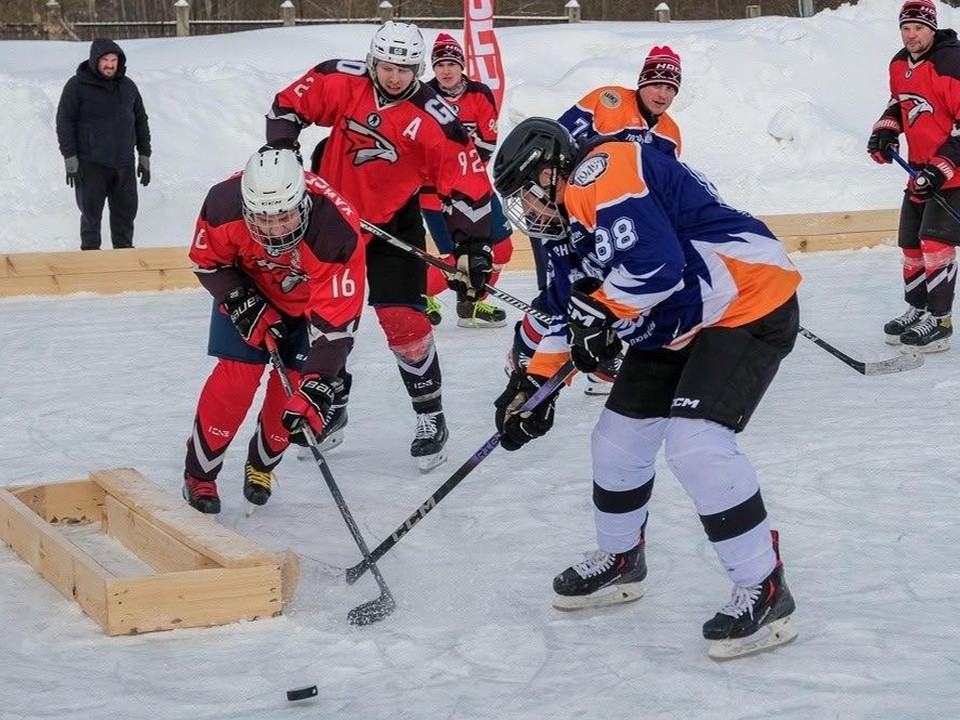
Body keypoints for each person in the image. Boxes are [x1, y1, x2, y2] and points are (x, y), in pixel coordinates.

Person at [491, 118, 802, 658]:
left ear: (549, 173)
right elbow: (569, 312)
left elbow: (656, 267)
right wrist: (533, 387)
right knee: (616, 440)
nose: (527, 211)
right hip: (675, 323)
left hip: (747, 302)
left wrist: (605, 314)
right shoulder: (567, 227)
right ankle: (621, 559)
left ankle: (765, 585)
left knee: (696, 444)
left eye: (526, 195)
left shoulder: (598, 172)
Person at [266, 21, 495, 472]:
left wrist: (473, 247)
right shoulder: (341, 78)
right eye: (388, 66)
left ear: (418, 69)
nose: (395, 77)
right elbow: (287, 105)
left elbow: (467, 183)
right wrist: (283, 149)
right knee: (325, 319)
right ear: (374, 61)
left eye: (406, 69)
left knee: (403, 321)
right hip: (331, 222)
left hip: (394, 221)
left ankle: (431, 415)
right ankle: (333, 402)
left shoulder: (436, 119)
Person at [182, 144, 365, 514]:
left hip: (310, 306)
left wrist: (318, 383)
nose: (275, 229)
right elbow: (207, 263)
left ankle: (262, 465)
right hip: (249, 289)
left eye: (284, 216)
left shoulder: (337, 232)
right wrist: (238, 299)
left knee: (295, 394)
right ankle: (199, 475)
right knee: (237, 378)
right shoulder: (222, 204)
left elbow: (335, 328)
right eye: (263, 219)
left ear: (303, 203)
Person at [509, 46, 685, 395]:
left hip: (615, 220)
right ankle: (523, 352)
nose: (662, 93)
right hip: (562, 212)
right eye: (656, 84)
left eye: (670, 87)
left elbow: (663, 187)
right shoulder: (608, 101)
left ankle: (602, 365)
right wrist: (538, 197)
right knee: (561, 294)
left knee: (612, 286)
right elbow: (552, 146)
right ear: (642, 82)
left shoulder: (670, 134)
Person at [869, 0, 958, 353]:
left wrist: (941, 167)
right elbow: (900, 103)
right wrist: (887, 129)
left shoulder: (951, 63)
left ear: (932, 29)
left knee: (935, 244)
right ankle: (918, 309)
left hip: (952, 175)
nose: (911, 35)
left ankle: (940, 322)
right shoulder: (898, 63)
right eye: (906, 28)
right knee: (910, 244)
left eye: (919, 28)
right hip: (918, 171)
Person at [420, 32, 513, 329]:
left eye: (451, 63)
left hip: (475, 188)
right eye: (440, 64)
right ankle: (418, 294)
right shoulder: (421, 96)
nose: (446, 70)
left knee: (502, 248)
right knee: (453, 258)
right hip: (434, 195)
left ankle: (473, 303)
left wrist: (455, 164)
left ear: (461, 65)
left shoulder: (480, 93)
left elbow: (486, 144)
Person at [55, 38, 151, 250]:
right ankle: (91, 263)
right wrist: (70, 158)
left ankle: (123, 261)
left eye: (113, 59)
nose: (110, 64)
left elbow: (140, 120)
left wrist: (144, 156)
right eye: (105, 59)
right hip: (91, 164)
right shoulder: (77, 86)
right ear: (94, 61)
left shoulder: (128, 87)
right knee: (90, 218)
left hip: (124, 164)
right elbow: (64, 120)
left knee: (125, 217)